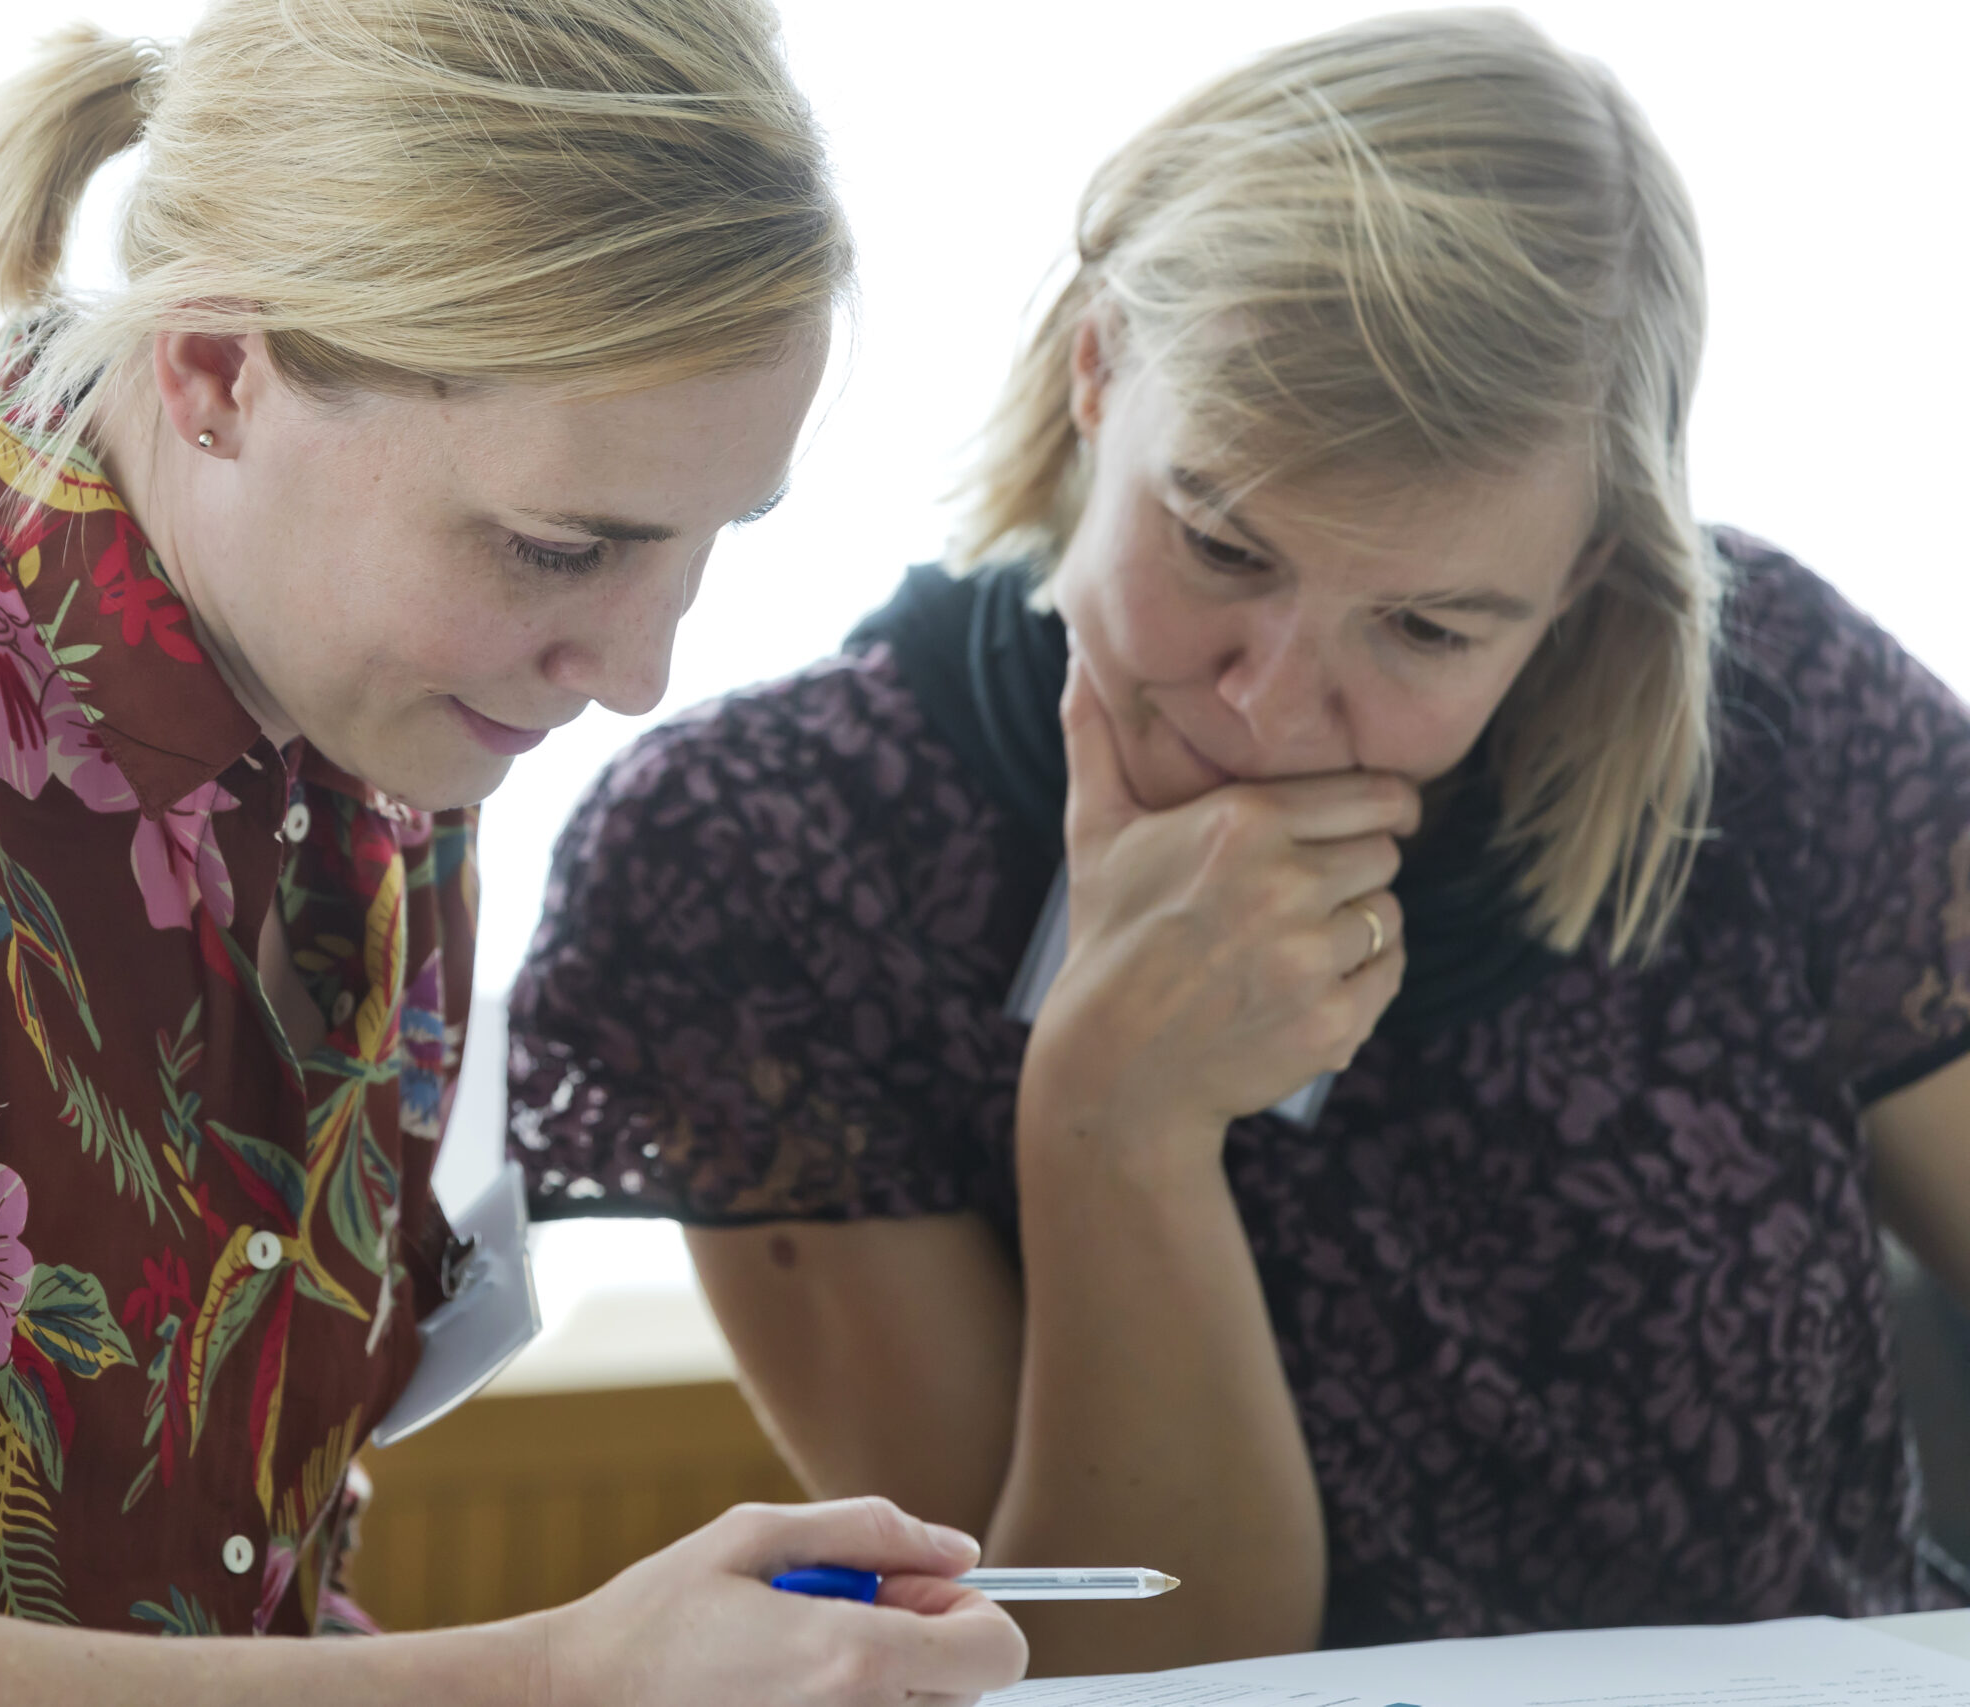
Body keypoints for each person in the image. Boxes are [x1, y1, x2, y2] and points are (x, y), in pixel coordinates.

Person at [0, 4, 1033, 1704]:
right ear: (214, 373)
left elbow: (216, 1599)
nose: (638, 674)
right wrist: (546, 1685)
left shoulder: (386, 748)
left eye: (710, 544)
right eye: (561, 550)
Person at [509, 6, 1970, 1678]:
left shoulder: (1768, 714)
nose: (1273, 712)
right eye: (1219, 545)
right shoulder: (756, 861)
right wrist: (1115, 1121)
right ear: (1097, 369)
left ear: (1582, 581)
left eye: (1427, 630)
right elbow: (1111, 1667)